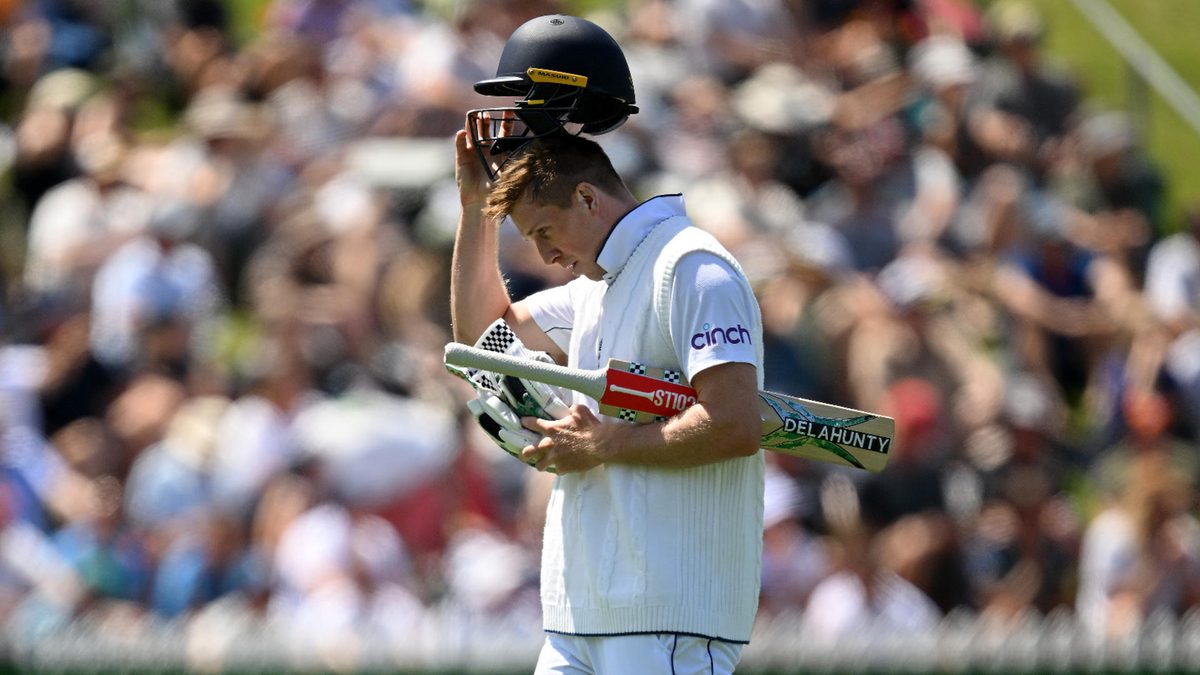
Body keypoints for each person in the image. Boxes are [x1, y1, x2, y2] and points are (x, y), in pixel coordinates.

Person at [450, 15, 766, 674]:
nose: (545, 257)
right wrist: (476, 207)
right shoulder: (594, 287)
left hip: (667, 620)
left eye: (544, 232)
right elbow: (483, 340)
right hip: (578, 617)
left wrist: (605, 443)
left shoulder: (691, 266)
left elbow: (736, 422)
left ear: (588, 199)